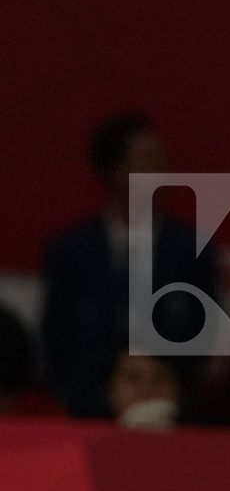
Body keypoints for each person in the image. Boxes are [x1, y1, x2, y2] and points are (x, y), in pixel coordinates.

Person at [41, 114, 216, 419]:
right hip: (86, 416)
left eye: (163, 160)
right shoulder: (70, 252)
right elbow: (57, 339)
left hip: (170, 418)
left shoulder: (192, 251)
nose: (161, 171)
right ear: (113, 170)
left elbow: (203, 337)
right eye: (148, 160)